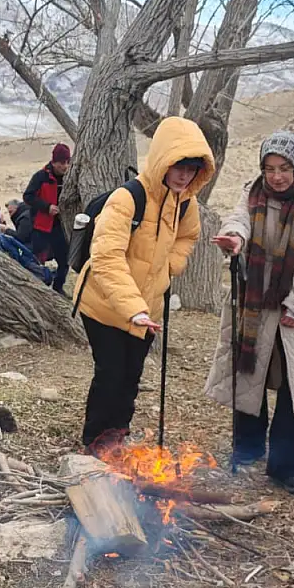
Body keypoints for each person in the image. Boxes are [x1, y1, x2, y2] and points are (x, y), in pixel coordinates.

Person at [204, 131, 294, 495]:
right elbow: (239, 222)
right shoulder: (252, 194)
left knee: (293, 388)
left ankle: (286, 464)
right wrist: (234, 238)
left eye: (283, 168)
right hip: (254, 305)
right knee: (249, 372)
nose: (277, 176)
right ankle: (247, 449)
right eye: (270, 168)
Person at [74, 118, 212, 453]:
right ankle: (95, 444)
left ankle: (117, 437)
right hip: (104, 303)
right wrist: (132, 308)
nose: (184, 174)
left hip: (146, 306)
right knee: (110, 374)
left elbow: (188, 236)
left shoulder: (186, 203)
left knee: (131, 376)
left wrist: (169, 268)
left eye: (192, 168)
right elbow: (106, 259)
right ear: (163, 158)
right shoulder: (126, 199)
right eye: (178, 165)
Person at [24, 143, 73, 294]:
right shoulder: (41, 176)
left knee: (64, 260)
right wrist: (47, 207)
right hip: (41, 225)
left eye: (67, 162)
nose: (64, 166)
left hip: (59, 226)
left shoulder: (70, 177)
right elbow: (28, 196)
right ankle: (39, 290)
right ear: (54, 162)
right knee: (39, 259)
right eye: (61, 163)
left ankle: (58, 288)